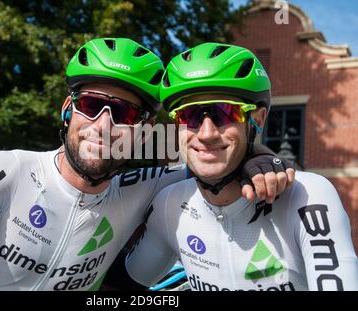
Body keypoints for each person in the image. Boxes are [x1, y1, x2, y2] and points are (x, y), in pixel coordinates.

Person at [0, 38, 293, 291]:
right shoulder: (7, 171)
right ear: (67, 111)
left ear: (143, 131)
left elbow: (214, 159)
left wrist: (261, 158)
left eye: (124, 113)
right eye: (92, 105)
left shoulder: (147, 187)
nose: (104, 126)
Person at [125, 42, 358, 291]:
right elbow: (122, 286)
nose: (206, 133)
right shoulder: (169, 204)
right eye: (189, 115)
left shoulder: (309, 196)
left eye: (224, 113)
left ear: (256, 120)